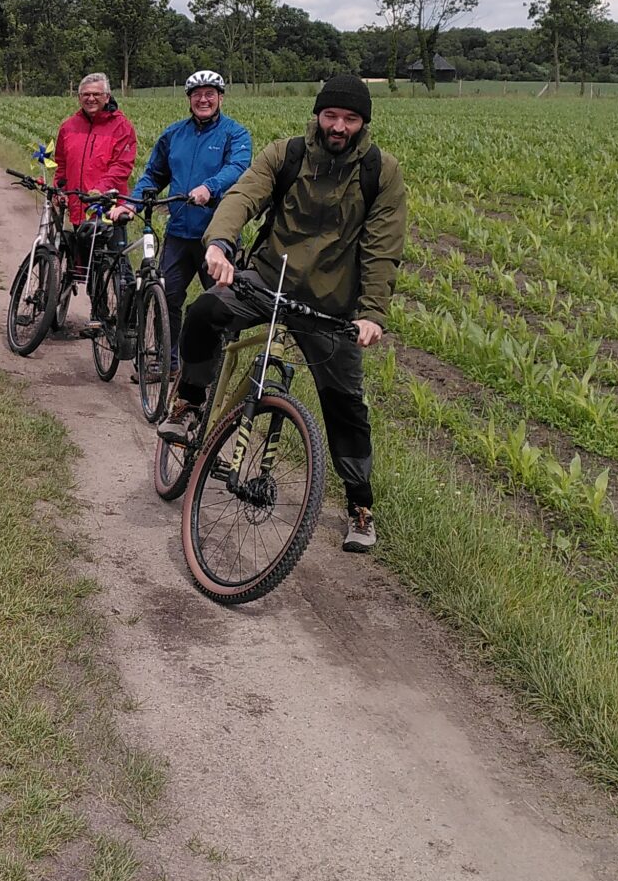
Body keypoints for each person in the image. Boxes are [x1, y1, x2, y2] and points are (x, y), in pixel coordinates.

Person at [160, 74, 407, 553]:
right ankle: (188, 402)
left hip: (331, 305)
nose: (339, 127)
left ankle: (360, 504)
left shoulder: (381, 172)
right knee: (205, 310)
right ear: (318, 115)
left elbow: (383, 248)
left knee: (345, 404)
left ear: (363, 123)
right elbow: (243, 196)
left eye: (350, 119)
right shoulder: (286, 154)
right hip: (267, 281)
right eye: (331, 116)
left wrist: (373, 313)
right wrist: (219, 243)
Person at [115, 70, 252, 371]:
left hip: (216, 235)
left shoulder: (235, 134)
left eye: (209, 94)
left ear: (220, 98)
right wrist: (132, 203)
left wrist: (209, 187)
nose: (203, 100)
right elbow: (154, 175)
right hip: (178, 232)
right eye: (197, 95)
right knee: (167, 299)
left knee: (220, 304)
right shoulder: (174, 134)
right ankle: (168, 362)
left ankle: (211, 372)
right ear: (189, 99)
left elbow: (238, 168)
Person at [52, 72, 139, 329]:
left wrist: (99, 190)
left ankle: (128, 323)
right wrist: (60, 188)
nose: (91, 99)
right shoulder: (69, 126)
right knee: (89, 264)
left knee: (117, 263)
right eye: (86, 94)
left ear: (107, 96)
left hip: (108, 206)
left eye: (96, 94)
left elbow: (122, 166)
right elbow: (61, 162)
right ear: (79, 97)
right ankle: (99, 314)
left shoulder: (122, 127)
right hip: (78, 206)